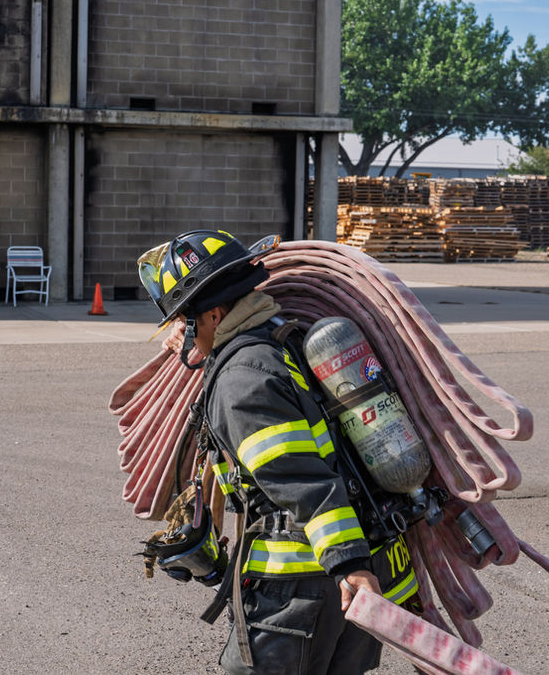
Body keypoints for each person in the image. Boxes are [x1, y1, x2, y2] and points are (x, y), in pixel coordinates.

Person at [137, 229, 420, 675]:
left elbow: (301, 481)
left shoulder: (242, 379)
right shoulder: (282, 339)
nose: (182, 334)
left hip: (303, 588)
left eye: (185, 320)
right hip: (353, 575)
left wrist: (348, 564)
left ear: (212, 315)